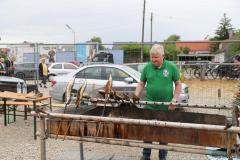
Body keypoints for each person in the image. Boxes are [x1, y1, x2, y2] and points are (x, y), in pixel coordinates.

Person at [133, 44, 181, 160]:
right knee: (147, 133)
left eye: (156, 57)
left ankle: (162, 157)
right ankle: (146, 156)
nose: (153, 60)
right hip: (149, 106)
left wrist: (174, 100)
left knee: (163, 134)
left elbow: (178, 84)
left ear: (163, 56)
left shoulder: (171, 67)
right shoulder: (147, 68)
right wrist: (136, 95)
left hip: (165, 108)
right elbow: (141, 83)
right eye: (152, 57)